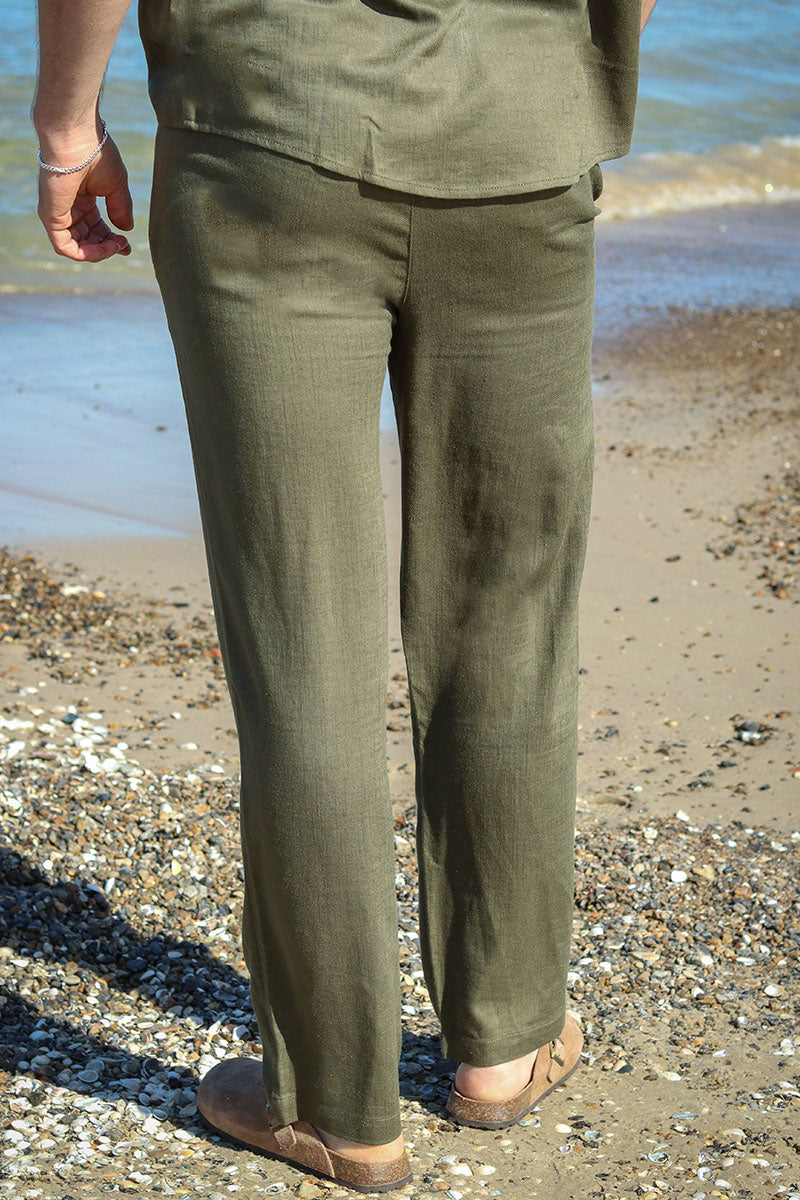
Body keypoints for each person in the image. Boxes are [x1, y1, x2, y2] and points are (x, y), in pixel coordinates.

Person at [33, 0, 657, 1190]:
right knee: (506, 612)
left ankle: (335, 1104)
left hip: (267, 127)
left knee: (298, 636)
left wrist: (67, 128)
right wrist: (568, 84)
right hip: (519, 137)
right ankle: (504, 1043)